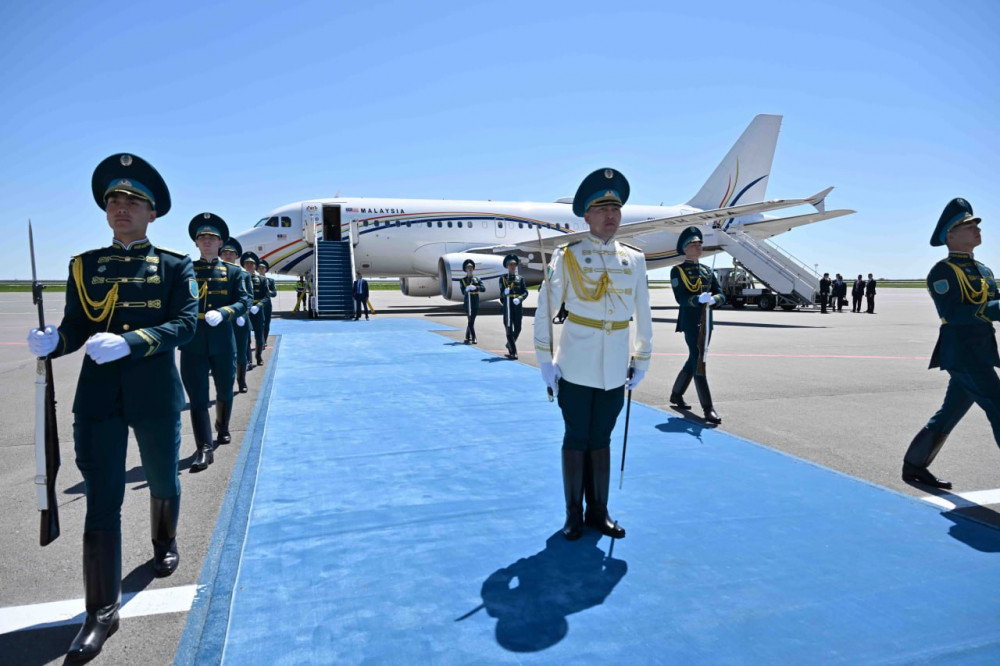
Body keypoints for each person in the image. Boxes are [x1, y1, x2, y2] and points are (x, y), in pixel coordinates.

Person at [25, 154, 197, 660]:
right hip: (99, 398)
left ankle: (164, 541)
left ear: (152, 212)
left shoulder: (173, 265)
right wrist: (54, 340)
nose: (121, 208)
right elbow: (77, 325)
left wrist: (135, 341)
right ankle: (101, 611)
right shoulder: (85, 266)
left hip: (155, 394)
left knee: (163, 477)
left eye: (132, 201)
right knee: (103, 497)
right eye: (114, 201)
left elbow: (185, 324)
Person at [534, 168, 652, 541]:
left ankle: (598, 513)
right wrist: (544, 361)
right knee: (576, 436)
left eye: (615, 207)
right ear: (586, 215)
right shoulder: (568, 255)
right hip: (575, 364)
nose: (610, 216)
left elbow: (643, 314)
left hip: (616, 367)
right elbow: (544, 309)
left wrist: (642, 358)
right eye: (602, 208)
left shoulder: (634, 260)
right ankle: (573, 516)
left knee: (601, 437)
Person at [902, 198, 1000, 489]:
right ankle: (914, 466)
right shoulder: (942, 272)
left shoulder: (984, 271)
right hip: (962, 350)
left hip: (981, 351)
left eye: (975, 225)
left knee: (951, 411)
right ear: (950, 235)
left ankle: (914, 466)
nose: (975, 229)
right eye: (967, 226)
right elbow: (954, 313)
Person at [180, 214, 251, 471]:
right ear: (196, 243)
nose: (207, 241)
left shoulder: (234, 272)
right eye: (202, 237)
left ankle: (223, 426)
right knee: (198, 397)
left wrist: (225, 313)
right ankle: (204, 447)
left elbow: (244, 301)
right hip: (193, 342)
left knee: (223, 390)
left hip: (223, 340)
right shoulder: (184, 269)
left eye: (212, 237)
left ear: (220, 243)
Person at [669, 227, 726, 424]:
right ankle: (708, 408)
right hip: (690, 320)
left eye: (700, 244)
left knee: (694, 357)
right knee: (699, 358)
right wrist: (697, 299)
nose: (698, 247)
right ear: (685, 248)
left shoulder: (707, 271)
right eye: (694, 244)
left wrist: (714, 299)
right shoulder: (678, 271)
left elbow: (721, 293)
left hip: (707, 321)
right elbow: (681, 298)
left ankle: (676, 394)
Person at [219, 237, 253, 393]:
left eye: (231, 253)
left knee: (240, 353)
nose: (228, 255)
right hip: (222, 319)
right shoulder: (215, 273)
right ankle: (226, 383)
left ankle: (241, 381)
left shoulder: (244, 275)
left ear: (237, 256)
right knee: (224, 355)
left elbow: (249, 297)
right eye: (225, 252)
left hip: (240, 320)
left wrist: (242, 313)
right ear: (220, 255)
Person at [500, 255, 529, 359]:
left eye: (514, 264)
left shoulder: (520, 279)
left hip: (517, 305)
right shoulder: (503, 279)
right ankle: (513, 352)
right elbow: (501, 296)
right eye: (510, 265)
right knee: (508, 328)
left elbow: (525, 292)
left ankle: (509, 344)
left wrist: (520, 298)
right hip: (508, 306)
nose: (512, 266)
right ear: (507, 266)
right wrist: (504, 292)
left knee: (518, 328)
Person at [241, 252, 267, 366]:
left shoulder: (261, 280)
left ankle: (259, 357)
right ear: (244, 265)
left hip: (257, 311)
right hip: (245, 311)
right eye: (247, 263)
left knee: (259, 338)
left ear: (255, 266)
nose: (249, 265)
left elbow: (266, 296)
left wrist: (259, 306)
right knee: (246, 337)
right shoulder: (239, 278)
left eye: (252, 263)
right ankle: (249, 360)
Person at [460, 259, 485, 344]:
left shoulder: (477, 279)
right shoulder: (463, 280)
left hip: (475, 301)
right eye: (468, 267)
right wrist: (466, 289)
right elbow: (463, 291)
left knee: (472, 320)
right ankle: (474, 337)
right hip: (468, 302)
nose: (470, 269)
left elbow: (483, 289)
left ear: (473, 269)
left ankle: (467, 334)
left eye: (471, 267)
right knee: (470, 320)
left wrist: (476, 287)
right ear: (465, 269)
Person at [258, 259, 277, 343]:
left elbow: (274, 293)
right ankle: (259, 340)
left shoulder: (270, 281)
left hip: (267, 305)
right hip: (257, 304)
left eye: (263, 268)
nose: (261, 269)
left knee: (266, 323)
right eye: (260, 268)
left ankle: (264, 341)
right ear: (257, 269)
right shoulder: (253, 279)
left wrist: (269, 292)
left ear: (266, 269)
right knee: (258, 323)